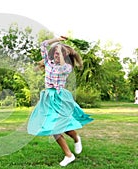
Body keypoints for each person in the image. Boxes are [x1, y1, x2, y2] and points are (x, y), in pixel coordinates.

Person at [27, 36, 94, 167]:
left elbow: (62, 67)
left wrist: (61, 50)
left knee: (66, 128)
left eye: (61, 54)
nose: (58, 56)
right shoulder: (48, 63)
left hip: (60, 98)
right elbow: (43, 44)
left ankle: (76, 138)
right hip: (48, 98)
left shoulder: (67, 67)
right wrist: (57, 40)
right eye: (56, 53)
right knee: (53, 128)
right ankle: (69, 155)